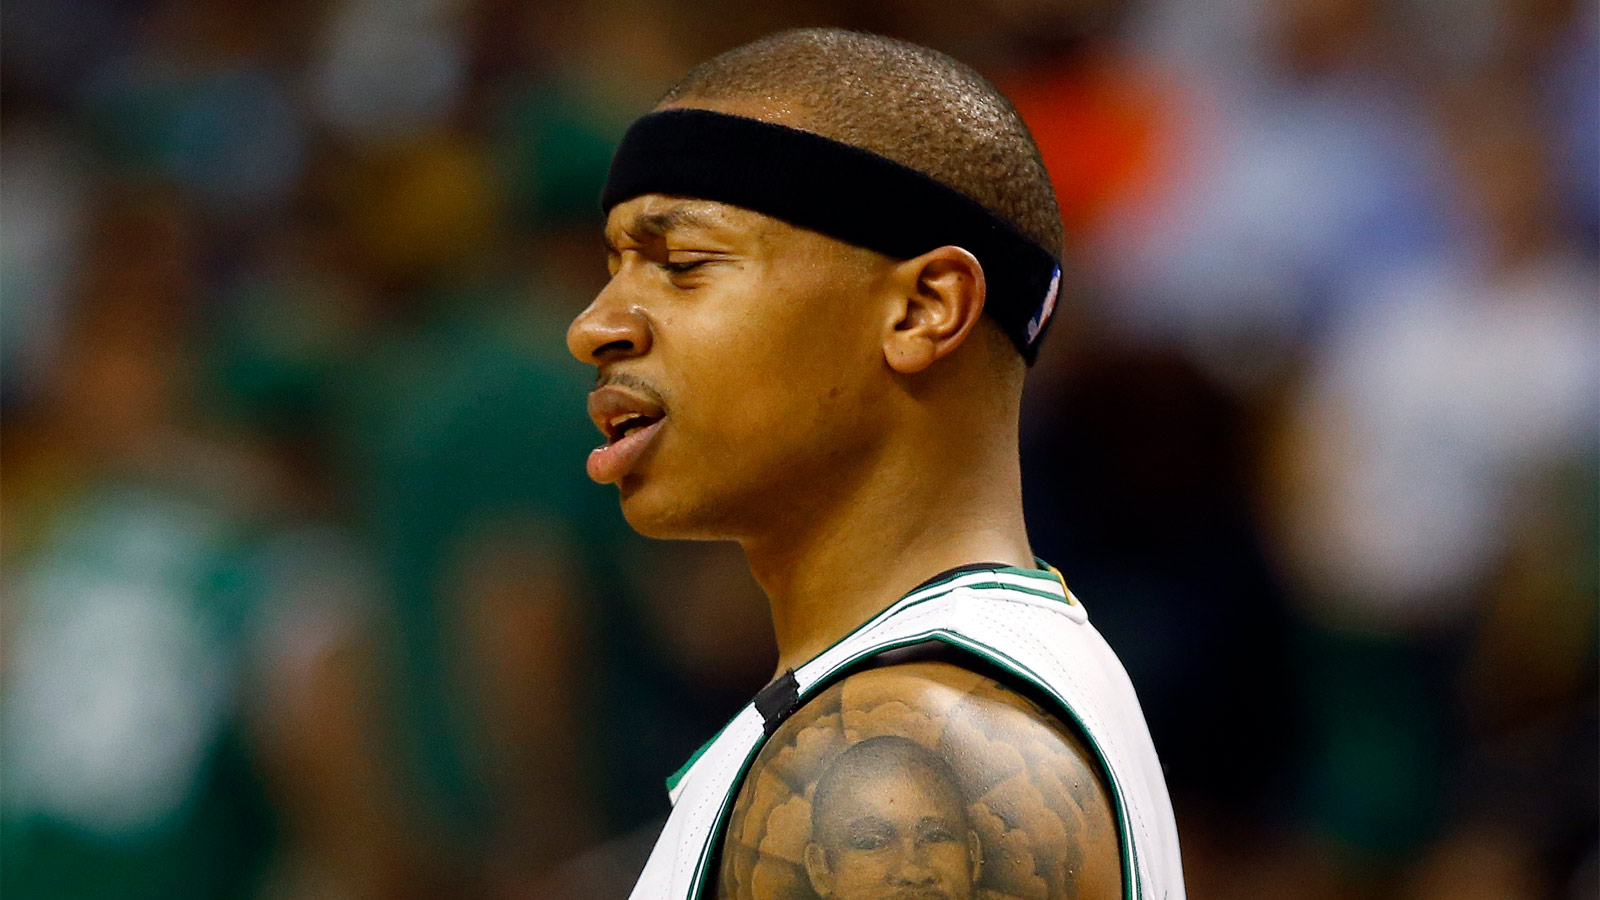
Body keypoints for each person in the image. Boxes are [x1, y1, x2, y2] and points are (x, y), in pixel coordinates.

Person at [567, 27, 1184, 900]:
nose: (594, 326)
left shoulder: (897, 760)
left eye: (682, 264)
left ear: (923, 309)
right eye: (613, 267)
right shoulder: (968, 687)